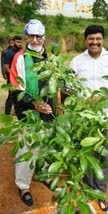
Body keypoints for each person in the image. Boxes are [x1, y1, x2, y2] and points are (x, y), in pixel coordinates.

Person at [70, 25, 108, 214]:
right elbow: (70, 88)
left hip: (106, 118)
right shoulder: (76, 61)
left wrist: (100, 99)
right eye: (91, 39)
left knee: (101, 157)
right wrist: (80, 101)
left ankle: (100, 195)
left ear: (103, 40)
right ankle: (85, 193)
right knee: (84, 156)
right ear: (84, 40)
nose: (94, 42)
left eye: (98, 39)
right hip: (83, 118)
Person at [10, 19, 57, 207]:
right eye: (31, 36)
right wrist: (34, 105)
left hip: (49, 113)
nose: (35, 40)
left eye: (38, 36)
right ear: (26, 37)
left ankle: (45, 174)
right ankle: (23, 186)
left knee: (46, 146)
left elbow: (57, 85)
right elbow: (15, 90)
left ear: (44, 38)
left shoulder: (51, 58)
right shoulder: (20, 58)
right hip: (29, 114)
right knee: (27, 149)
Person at [3, 35, 22, 115]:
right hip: (12, 78)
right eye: (18, 42)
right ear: (13, 42)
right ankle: (7, 113)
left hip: (20, 78)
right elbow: (6, 67)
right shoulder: (8, 53)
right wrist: (14, 75)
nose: (19, 44)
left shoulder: (20, 52)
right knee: (11, 96)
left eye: (20, 42)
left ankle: (18, 112)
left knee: (19, 95)